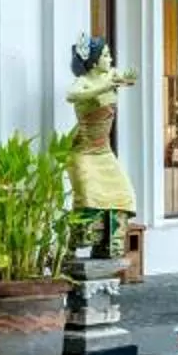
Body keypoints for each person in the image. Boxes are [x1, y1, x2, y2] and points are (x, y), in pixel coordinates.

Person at [64, 38, 139, 258]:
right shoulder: (83, 82)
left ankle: (110, 246)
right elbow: (71, 95)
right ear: (94, 62)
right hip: (84, 153)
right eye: (106, 55)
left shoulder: (110, 75)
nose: (111, 59)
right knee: (89, 198)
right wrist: (104, 87)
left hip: (104, 152)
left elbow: (124, 78)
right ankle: (73, 247)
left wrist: (126, 79)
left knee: (123, 193)